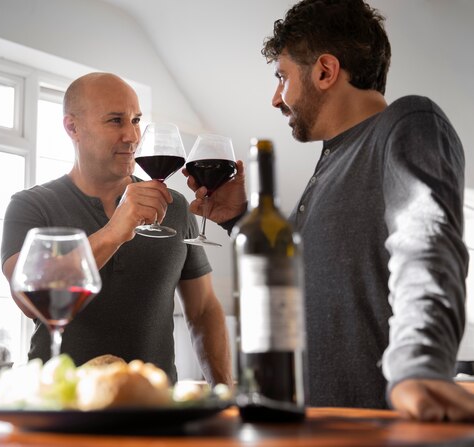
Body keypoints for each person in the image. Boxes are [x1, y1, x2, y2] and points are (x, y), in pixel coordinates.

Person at [184, 0, 474, 421]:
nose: (275, 99)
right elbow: (315, 279)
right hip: (311, 427)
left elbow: (426, 246)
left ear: (324, 71)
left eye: (282, 77)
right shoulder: (331, 163)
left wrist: (420, 364)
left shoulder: (407, 123)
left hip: (377, 430)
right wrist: (239, 219)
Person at [1, 72, 232, 387]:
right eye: (115, 121)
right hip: (60, 406)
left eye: (136, 120)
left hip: (156, 410)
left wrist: (227, 391)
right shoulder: (31, 206)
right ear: (73, 127)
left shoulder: (174, 207)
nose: (132, 136)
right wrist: (114, 231)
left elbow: (203, 309)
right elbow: (30, 301)